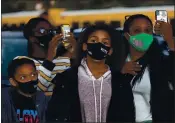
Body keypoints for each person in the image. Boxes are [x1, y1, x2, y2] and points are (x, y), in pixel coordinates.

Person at [46, 24, 135, 122]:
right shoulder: (66, 79)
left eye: (105, 42)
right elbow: (55, 114)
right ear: (85, 46)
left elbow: (128, 116)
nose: (99, 45)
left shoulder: (120, 81)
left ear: (110, 51)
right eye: (93, 41)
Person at [111, 14, 174, 123]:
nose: (143, 35)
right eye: (137, 31)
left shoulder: (159, 63)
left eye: (147, 30)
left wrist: (170, 41)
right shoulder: (115, 63)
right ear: (127, 35)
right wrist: (118, 72)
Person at [14, 17, 76, 96]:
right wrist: (50, 56)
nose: (48, 34)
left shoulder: (63, 60)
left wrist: (74, 48)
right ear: (32, 38)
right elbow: (35, 90)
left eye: (50, 31)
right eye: (42, 31)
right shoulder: (22, 62)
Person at [2, 58, 49, 123]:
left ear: (37, 74)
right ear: (13, 82)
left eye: (33, 75)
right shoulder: (4, 99)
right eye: (23, 77)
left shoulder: (42, 98)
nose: (30, 79)